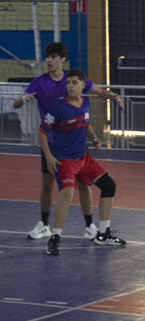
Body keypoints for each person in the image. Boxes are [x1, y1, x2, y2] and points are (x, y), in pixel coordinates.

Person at [13, 42, 124, 240]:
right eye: (47, 57)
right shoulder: (39, 82)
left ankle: (90, 226)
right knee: (48, 184)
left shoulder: (72, 79)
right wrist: (23, 100)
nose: (49, 60)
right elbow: (15, 104)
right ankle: (44, 225)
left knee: (84, 184)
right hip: (52, 142)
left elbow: (99, 92)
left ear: (62, 59)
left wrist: (114, 97)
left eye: (53, 57)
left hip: (75, 139)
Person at [38, 69, 126, 255]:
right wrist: (49, 156)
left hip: (83, 157)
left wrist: (94, 137)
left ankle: (103, 234)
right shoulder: (59, 108)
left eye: (74, 83)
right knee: (68, 193)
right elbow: (42, 132)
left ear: (82, 85)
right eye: (68, 83)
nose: (70, 86)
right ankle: (55, 238)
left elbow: (85, 122)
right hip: (64, 160)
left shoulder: (86, 103)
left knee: (109, 185)